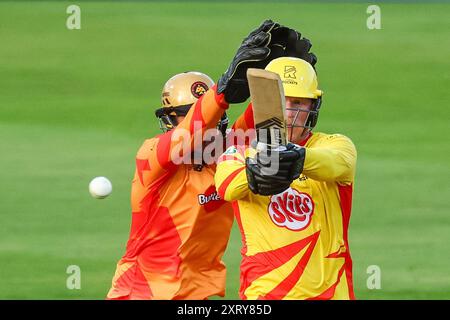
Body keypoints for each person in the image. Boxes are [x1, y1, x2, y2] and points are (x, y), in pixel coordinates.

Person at [107, 20, 314, 300]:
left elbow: (260, 121)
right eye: (188, 113)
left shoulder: (226, 153)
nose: (210, 121)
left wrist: (277, 81)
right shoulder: (152, 155)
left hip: (199, 295)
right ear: (170, 120)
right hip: (142, 292)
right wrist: (221, 93)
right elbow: (188, 136)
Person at [214, 57, 357, 300]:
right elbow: (226, 186)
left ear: (313, 107)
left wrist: (296, 158)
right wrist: (258, 169)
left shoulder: (335, 144)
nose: (289, 113)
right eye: (282, 102)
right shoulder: (238, 152)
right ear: (264, 105)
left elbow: (337, 164)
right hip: (264, 296)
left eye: (299, 102)